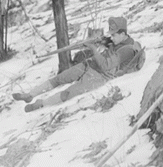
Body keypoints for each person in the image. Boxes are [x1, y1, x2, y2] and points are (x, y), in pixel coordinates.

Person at [12, 17, 145, 112]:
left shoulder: (127, 50)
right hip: (90, 65)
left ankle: (41, 104)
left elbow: (105, 66)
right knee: (59, 78)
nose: (112, 37)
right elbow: (107, 45)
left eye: (114, 35)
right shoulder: (116, 41)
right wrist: (100, 41)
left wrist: (93, 48)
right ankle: (30, 95)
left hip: (100, 76)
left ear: (123, 34)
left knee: (68, 93)